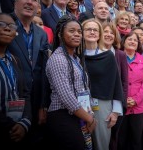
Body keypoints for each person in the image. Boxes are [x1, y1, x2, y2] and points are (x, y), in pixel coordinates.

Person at [8, 0, 50, 149]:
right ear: (15, 2)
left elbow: (44, 71)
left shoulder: (41, 34)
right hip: (10, 100)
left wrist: (42, 105)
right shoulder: (4, 26)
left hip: (35, 100)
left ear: (38, 7)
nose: (29, 2)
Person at [45, 16, 96, 149]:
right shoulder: (58, 59)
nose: (77, 34)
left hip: (79, 115)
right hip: (63, 117)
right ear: (60, 34)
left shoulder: (76, 59)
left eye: (79, 31)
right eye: (72, 31)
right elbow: (66, 96)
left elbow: (84, 89)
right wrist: (89, 118)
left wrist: (90, 113)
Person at [81, 19, 123, 150]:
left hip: (102, 104)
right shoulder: (76, 55)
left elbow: (116, 82)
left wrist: (115, 112)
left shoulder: (108, 56)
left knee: (101, 144)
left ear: (99, 34)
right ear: (81, 33)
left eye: (95, 30)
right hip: (79, 106)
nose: (92, 32)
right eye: (88, 29)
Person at [0, 13, 31, 148]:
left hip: (20, 131)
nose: (7, 28)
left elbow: (25, 93)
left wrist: (24, 123)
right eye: (1, 24)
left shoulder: (15, 60)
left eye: (11, 25)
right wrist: (10, 126)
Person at [118, 32, 143, 150]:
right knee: (121, 139)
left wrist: (136, 99)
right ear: (124, 41)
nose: (132, 42)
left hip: (139, 106)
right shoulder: (117, 57)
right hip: (121, 105)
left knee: (136, 139)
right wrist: (123, 99)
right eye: (130, 39)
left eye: (135, 40)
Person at [101, 22, 128, 150]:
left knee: (113, 139)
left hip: (116, 105)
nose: (108, 35)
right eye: (105, 31)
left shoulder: (120, 55)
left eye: (111, 33)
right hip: (98, 104)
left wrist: (119, 108)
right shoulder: (92, 52)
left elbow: (124, 81)